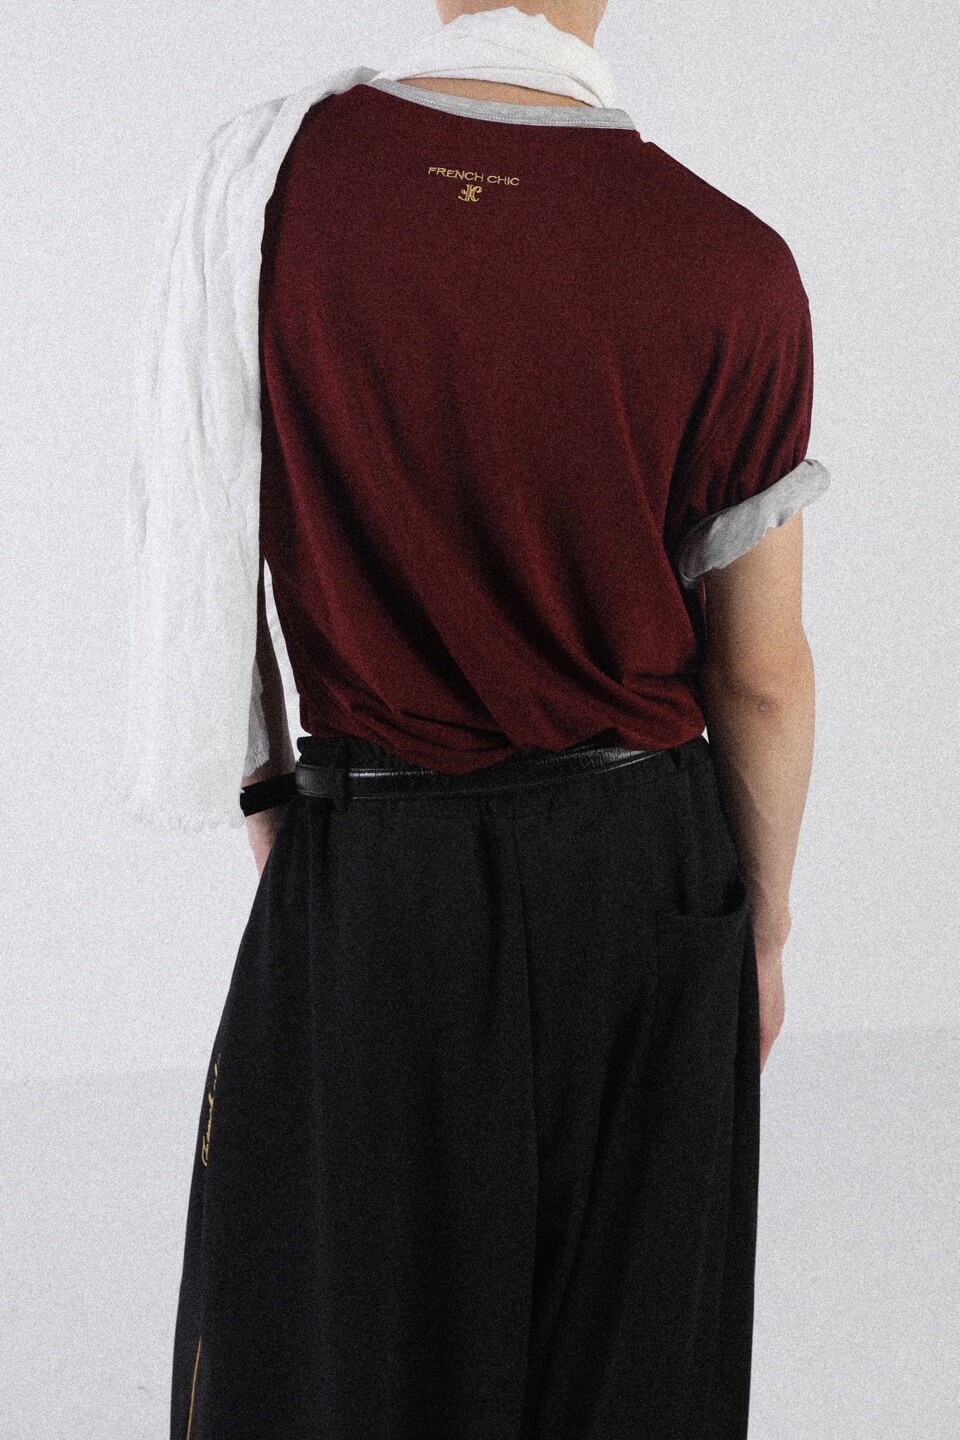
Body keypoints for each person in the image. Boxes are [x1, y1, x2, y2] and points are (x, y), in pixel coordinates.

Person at [125, 3, 831, 1436]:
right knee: (635, 1384)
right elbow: (759, 673)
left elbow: (200, 554)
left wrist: (287, 825)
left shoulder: (270, 195)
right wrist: (759, 937)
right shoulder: (730, 260)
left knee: (341, 1377)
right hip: (647, 882)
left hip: (379, 861)